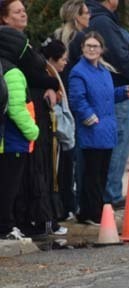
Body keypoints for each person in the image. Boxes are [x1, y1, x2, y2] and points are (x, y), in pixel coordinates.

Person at [68, 32, 129, 225]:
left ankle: (98, 210)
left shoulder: (103, 71)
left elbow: (109, 95)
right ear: (82, 48)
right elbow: (77, 98)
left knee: (102, 172)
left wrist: (126, 92)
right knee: (91, 173)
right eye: (88, 46)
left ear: (102, 49)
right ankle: (89, 212)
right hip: (92, 129)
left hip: (107, 129)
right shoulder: (79, 72)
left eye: (95, 46)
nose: (92, 49)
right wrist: (89, 117)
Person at [87, 0, 129, 209]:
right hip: (122, 91)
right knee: (118, 146)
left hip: (120, 90)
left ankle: (108, 192)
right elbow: (120, 55)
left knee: (116, 146)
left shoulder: (102, 19)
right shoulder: (103, 21)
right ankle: (110, 194)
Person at [0, 26, 39, 240]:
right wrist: (33, 131)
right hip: (13, 140)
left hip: (6, 140)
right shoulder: (13, 72)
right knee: (9, 187)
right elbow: (16, 108)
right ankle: (6, 227)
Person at [40, 38, 76, 223]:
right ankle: (58, 210)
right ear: (53, 59)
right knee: (57, 177)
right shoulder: (48, 78)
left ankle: (65, 207)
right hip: (57, 137)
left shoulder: (55, 76)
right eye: (62, 58)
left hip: (63, 136)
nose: (65, 62)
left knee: (65, 175)